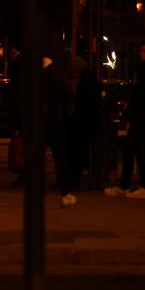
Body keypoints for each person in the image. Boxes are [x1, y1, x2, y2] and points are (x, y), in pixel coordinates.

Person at [116, 41, 145, 197]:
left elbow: (141, 96)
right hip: (142, 115)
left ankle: (141, 186)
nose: (142, 53)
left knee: (134, 150)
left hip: (142, 115)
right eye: (141, 50)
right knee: (135, 150)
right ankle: (132, 186)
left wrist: (130, 112)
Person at [42, 54, 76, 205]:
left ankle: (39, 194)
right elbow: (69, 95)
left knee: (38, 159)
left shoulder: (33, 72)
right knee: (60, 158)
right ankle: (65, 193)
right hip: (56, 119)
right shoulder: (58, 72)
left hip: (38, 121)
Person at [67, 54, 99, 196]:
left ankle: (74, 180)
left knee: (77, 151)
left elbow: (86, 99)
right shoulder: (84, 80)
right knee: (74, 151)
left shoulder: (86, 81)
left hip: (81, 120)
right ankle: (72, 179)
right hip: (76, 119)